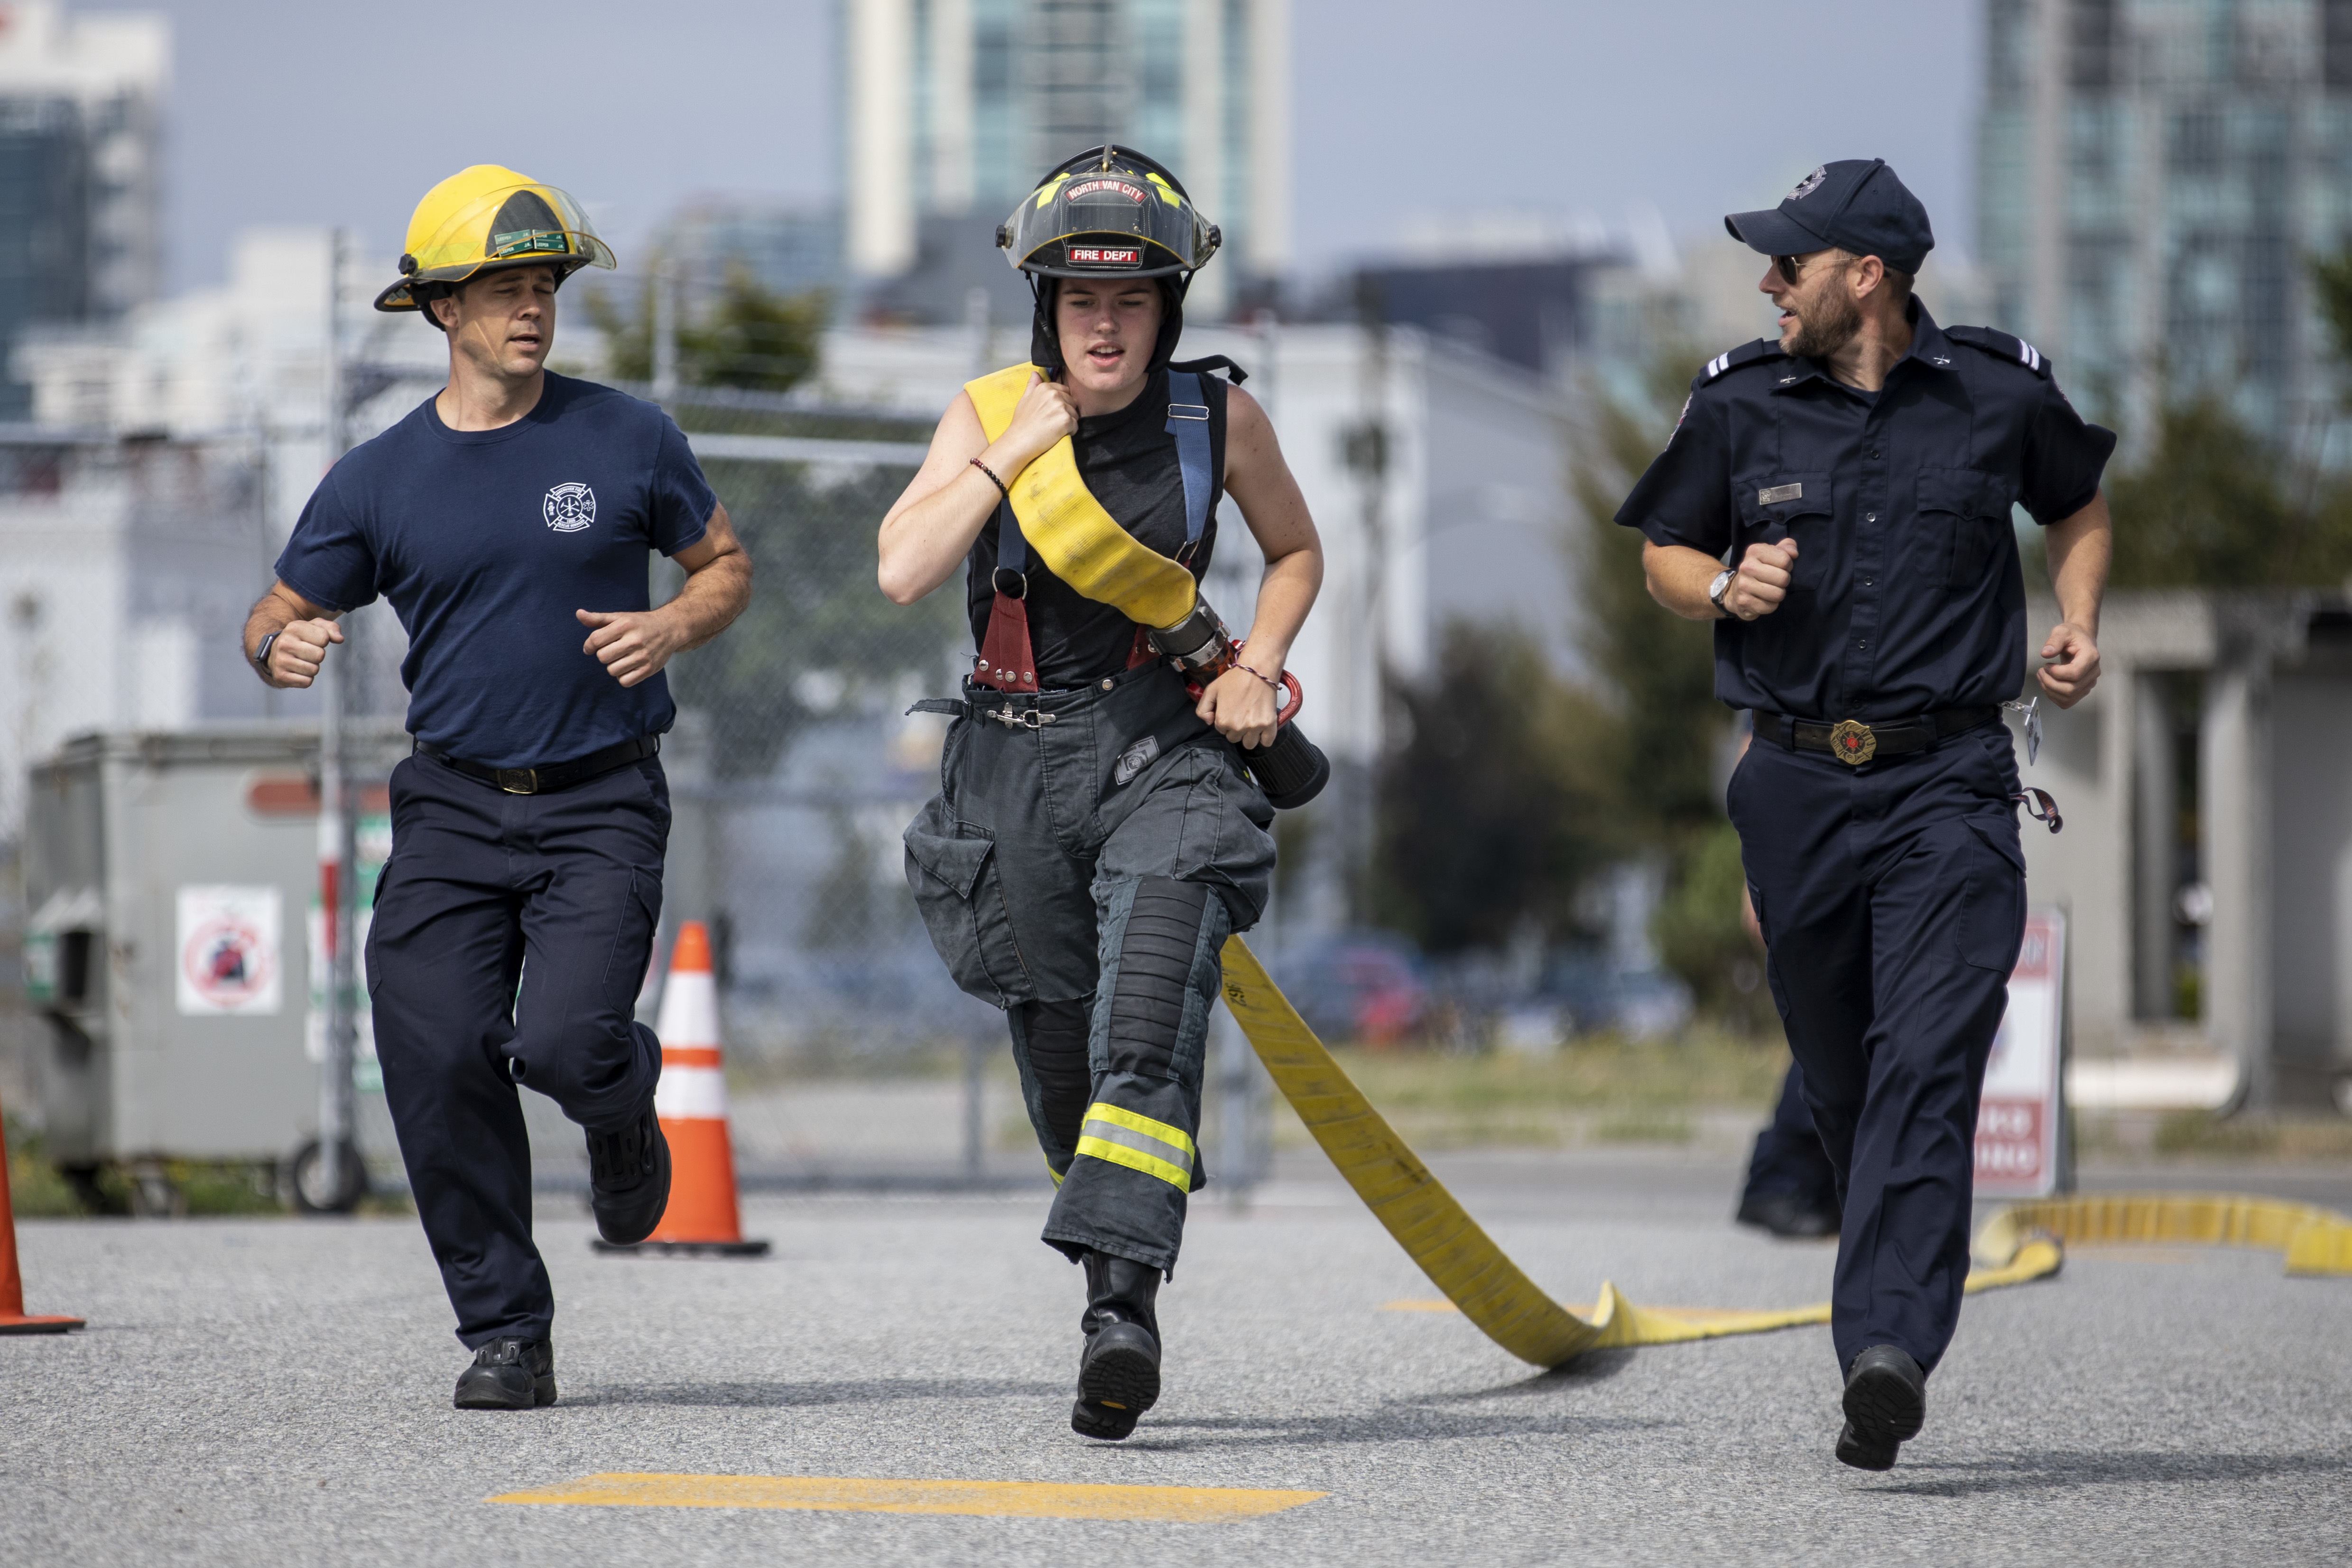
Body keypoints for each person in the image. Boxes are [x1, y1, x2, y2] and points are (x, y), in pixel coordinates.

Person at [1617, 158, 2112, 1470]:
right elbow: (1660, 550)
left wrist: (2073, 622)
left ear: (1866, 278)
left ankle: (1883, 1349)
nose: (1767, 284)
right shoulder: (1736, 403)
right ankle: (1882, 1274)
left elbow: (2073, 505)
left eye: (1790, 263)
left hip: (1947, 782)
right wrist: (1720, 585)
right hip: (1791, 788)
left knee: (1926, 1056)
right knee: (1839, 1074)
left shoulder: (1998, 390)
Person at [241, 166, 751, 1410]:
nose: (531, 310)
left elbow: (724, 563)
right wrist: (280, 646)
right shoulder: (377, 478)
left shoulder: (626, 436)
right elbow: (276, 608)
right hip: (454, 805)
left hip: (600, 799)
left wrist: (674, 624)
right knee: (430, 1041)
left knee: (568, 1042)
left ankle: (619, 1106)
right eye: (503, 290)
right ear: (437, 309)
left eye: (544, 287)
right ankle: (506, 1328)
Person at [877, 145, 1323, 1442]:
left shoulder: (1218, 419)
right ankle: (1111, 1255)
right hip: (1008, 767)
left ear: (1168, 308)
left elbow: (1293, 552)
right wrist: (1012, 451)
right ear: (1044, 307)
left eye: (1132, 301)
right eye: (1081, 301)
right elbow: (905, 567)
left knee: (1147, 1013)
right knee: (1063, 1068)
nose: (1106, 324)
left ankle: (1118, 1316)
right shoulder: (987, 411)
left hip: (1164, 749)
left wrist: (1261, 664)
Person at [1730, 727, 1842, 1240]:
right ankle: (1776, 1179)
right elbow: (1753, 745)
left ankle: (1818, 1186)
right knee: (1826, 1027)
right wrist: (1750, 877)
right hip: (1807, 843)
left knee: (1852, 1023)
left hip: (1850, 838)